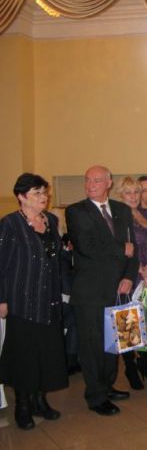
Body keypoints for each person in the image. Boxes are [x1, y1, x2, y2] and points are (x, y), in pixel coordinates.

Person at [66, 165, 138, 416]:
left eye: (97, 180)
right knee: (92, 346)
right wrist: (121, 249)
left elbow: (133, 247)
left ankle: (107, 386)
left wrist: (129, 276)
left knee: (113, 343)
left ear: (109, 183)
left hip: (118, 289)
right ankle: (96, 396)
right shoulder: (77, 211)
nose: (91, 185)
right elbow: (87, 245)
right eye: (87, 180)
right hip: (90, 292)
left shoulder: (121, 210)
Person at [0, 174, 68, 430]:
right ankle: (23, 405)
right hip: (22, 300)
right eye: (37, 193)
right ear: (21, 196)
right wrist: (1, 299)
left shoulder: (51, 220)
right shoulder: (10, 224)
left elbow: (55, 258)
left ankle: (40, 400)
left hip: (49, 300)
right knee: (24, 356)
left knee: (46, 354)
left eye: (44, 192)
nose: (44, 197)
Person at [117, 177, 147, 388]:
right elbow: (118, 250)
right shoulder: (117, 218)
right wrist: (138, 268)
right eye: (128, 192)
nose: (134, 196)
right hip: (129, 275)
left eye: (137, 192)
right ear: (120, 195)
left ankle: (146, 364)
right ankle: (130, 367)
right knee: (129, 323)